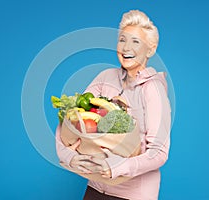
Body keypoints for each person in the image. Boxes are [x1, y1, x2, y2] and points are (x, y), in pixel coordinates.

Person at [55, 10, 171, 200]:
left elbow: (158, 152)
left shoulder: (153, 90)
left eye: (136, 42)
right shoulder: (105, 77)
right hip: (95, 186)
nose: (126, 47)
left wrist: (115, 167)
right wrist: (69, 157)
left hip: (133, 194)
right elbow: (70, 119)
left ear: (150, 49)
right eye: (122, 40)